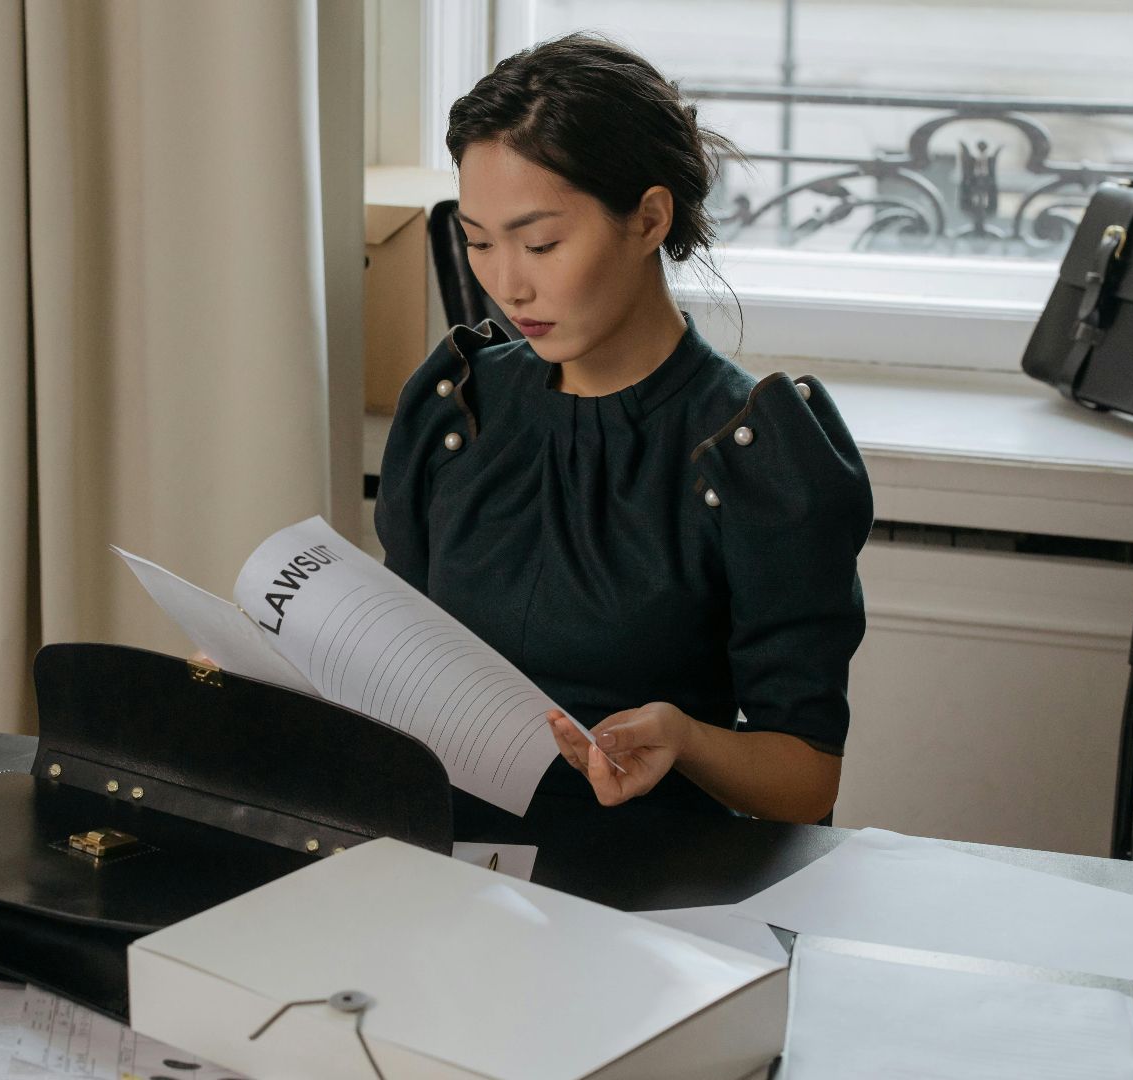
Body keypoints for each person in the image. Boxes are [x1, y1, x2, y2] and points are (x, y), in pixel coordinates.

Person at [373, 33, 874, 833]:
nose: (506, 284)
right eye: (478, 242)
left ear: (647, 220)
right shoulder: (456, 406)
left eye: (541, 243)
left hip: (654, 888)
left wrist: (686, 740)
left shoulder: (755, 454)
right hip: (444, 863)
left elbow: (806, 781)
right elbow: (401, 662)